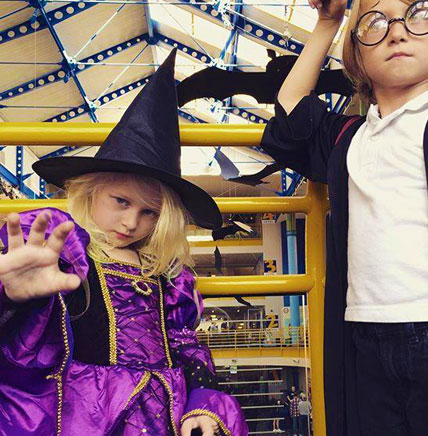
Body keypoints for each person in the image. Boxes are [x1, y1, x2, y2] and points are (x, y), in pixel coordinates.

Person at [262, 0, 428, 436]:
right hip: (364, 337)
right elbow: (289, 119)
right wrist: (329, 23)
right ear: (356, 56)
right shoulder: (351, 138)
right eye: (374, 23)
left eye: (419, 15)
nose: (396, 33)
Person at [0, 50, 248, 436]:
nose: (131, 222)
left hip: (165, 413)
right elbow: (26, 339)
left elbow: (187, 348)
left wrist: (202, 400)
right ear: (91, 192)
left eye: (150, 212)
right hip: (87, 413)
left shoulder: (167, 277)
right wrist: (10, 298)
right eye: (121, 202)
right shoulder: (66, 256)